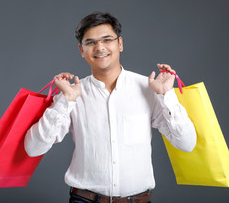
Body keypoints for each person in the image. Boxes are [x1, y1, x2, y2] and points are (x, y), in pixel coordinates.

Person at [24, 12, 197, 203]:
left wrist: (166, 95)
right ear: (81, 50)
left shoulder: (149, 89)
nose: (100, 47)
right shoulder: (72, 94)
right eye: (90, 42)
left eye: (107, 39)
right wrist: (66, 101)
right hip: (85, 200)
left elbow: (187, 144)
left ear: (120, 44)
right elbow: (33, 148)